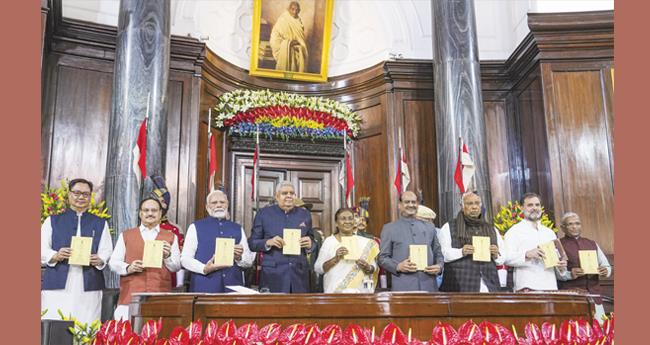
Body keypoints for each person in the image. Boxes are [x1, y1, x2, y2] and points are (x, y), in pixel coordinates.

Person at [41, 179, 113, 324]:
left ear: (90, 196)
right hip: (58, 280)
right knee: (56, 321)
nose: (81, 197)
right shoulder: (52, 221)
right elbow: (41, 248)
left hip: (89, 281)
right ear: (69, 194)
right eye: (77, 193)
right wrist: (55, 255)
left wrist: (100, 260)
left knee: (86, 322)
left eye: (86, 194)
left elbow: (106, 251)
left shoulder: (99, 223)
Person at [109, 198, 181, 320]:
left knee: (159, 335)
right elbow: (113, 262)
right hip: (130, 295)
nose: (150, 213)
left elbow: (176, 267)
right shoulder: (126, 235)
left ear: (160, 214)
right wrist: (128, 267)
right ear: (140, 213)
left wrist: (167, 256)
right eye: (146, 210)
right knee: (126, 335)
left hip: (160, 294)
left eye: (154, 210)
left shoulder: (170, 236)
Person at [181, 190, 255, 292]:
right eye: (214, 203)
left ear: (227, 205)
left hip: (233, 288)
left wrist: (239, 258)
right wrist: (204, 268)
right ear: (207, 207)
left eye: (222, 202)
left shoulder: (237, 228)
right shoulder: (195, 227)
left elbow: (248, 262)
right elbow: (185, 259)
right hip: (204, 286)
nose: (219, 205)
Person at [248, 181, 314, 293]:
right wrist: (268, 242)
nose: (289, 196)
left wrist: (310, 244)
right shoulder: (264, 214)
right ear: (277, 196)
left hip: (299, 275)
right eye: (285, 193)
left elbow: (312, 240)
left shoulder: (304, 215)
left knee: (300, 310)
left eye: (292, 193)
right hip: (273, 275)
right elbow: (252, 243)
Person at [437, 192, 504, 292]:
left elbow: (503, 257)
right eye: (470, 204)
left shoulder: (492, 229)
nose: (474, 207)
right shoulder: (449, 227)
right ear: (462, 206)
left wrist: (496, 255)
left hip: (490, 285)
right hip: (459, 286)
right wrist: (461, 252)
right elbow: (442, 254)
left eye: (477, 203)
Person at [378, 191, 444, 292]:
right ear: (399, 205)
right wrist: (398, 266)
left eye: (413, 202)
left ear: (417, 205)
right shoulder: (389, 228)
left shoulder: (430, 227)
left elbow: (438, 253)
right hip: (403, 287)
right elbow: (382, 258)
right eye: (407, 202)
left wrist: (439, 267)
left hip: (429, 286)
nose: (411, 205)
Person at [504, 192, 567, 291]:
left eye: (537, 205)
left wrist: (561, 266)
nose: (534, 208)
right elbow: (506, 257)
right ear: (521, 208)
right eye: (530, 205)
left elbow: (557, 260)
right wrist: (527, 254)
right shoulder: (514, 232)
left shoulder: (549, 233)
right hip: (527, 285)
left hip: (550, 285)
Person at [556, 212, 612, 322]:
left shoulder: (591, 243)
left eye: (577, 223)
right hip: (572, 297)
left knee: (599, 328)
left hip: (594, 295)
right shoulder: (558, 245)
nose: (574, 227)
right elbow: (557, 273)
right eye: (570, 224)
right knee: (576, 331)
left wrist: (606, 271)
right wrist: (570, 274)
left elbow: (606, 265)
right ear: (563, 228)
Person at [315, 208, 379, 293]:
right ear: (336, 223)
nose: (347, 221)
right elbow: (318, 268)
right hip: (335, 292)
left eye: (350, 218)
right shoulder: (329, 241)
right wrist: (336, 258)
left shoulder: (365, 242)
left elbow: (373, 268)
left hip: (359, 292)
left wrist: (367, 267)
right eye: (343, 219)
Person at [150, 175, 185, 288]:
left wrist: (180, 284)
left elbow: (180, 258)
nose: (157, 205)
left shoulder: (174, 229)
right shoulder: (139, 229)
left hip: (168, 279)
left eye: (161, 201)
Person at [269, 1, 308, 72]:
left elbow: (301, 39)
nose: (294, 12)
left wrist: (299, 43)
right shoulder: (283, 19)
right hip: (286, 50)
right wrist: (289, 43)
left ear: (299, 11)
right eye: (292, 9)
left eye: (297, 10)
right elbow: (275, 37)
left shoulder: (299, 21)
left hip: (297, 51)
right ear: (288, 9)